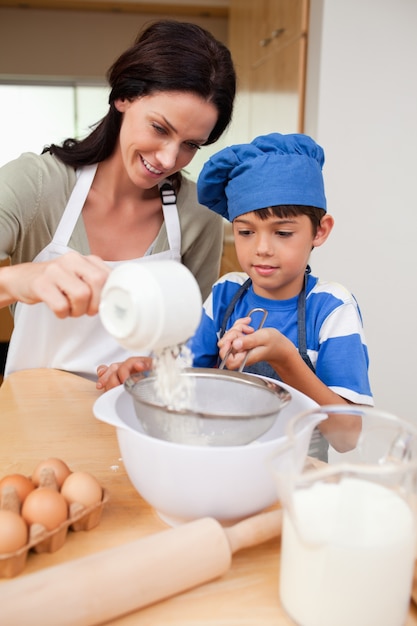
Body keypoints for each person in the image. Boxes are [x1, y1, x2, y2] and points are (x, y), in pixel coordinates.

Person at [98, 133, 373, 459]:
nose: (262, 249)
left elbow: (347, 437)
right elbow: (186, 383)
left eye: (283, 233)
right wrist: (144, 373)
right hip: (220, 462)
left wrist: (285, 358)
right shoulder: (225, 293)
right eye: (245, 231)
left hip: (297, 476)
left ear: (320, 230)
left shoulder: (331, 308)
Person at [0, 19, 236, 380]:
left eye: (191, 145)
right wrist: (22, 279)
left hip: (138, 416)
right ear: (123, 97)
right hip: (37, 419)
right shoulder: (36, 185)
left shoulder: (197, 213)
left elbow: (190, 344)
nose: (169, 160)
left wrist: (152, 370)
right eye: (159, 128)